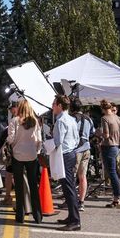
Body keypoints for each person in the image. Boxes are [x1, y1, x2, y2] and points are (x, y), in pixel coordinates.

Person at [7, 99, 42, 224]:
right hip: (32, 155)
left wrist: (11, 142)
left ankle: (20, 215)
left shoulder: (15, 121)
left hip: (18, 155)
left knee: (19, 186)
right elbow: (39, 140)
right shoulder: (35, 122)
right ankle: (37, 215)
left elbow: (11, 139)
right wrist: (36, 151)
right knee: (33, 185)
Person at [52, 95, 81, 231]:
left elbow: (57, 142)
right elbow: (76, 139)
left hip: (64, 155)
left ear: (59, 105)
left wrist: (47, 146)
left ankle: (75, 220)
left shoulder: (61, 121)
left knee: (68, 188)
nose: (52, 106)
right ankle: (71, 216)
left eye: (54, 104)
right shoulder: (71, 119)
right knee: (69, 187)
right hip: (71, 153)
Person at [61, 98, 95, 212]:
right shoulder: (89, 119)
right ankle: (81, 202)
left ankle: (70, 200)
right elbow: (92, 133)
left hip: (76, 149)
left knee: (72, 176)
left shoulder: (72, 119)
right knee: (82, 176)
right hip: (86, 147)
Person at [100, 99, 120, 208]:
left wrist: (98, 133)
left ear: (103, 109)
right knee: (115, 172)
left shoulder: (104, 118)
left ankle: (117, 198)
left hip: (108, 147)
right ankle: (117, 198)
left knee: (112, 173)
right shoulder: (117, 117)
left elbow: (106, 135)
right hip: (116, 147)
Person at [2, 101, 18, 205]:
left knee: (9, 174)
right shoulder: (28, 119)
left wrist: (6, 142)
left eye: (12, 108)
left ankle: (8, 196)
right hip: (26, 152)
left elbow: (11, 138)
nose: (11, 111)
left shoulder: (14, 120)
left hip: (14, 151)